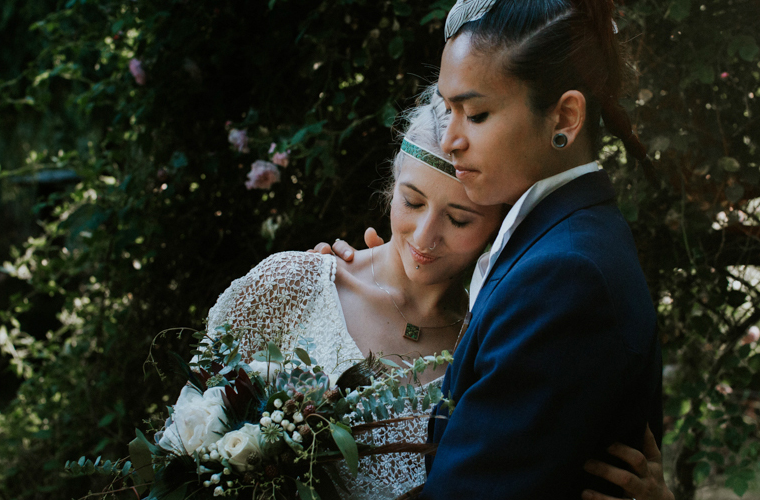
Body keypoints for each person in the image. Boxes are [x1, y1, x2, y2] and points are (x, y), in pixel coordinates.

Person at [210, 90, 671, 500]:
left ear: (500, 226)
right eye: (411, 202)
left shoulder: (498, 340)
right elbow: (185, 438)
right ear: (391, 185)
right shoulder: (296, 285)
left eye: (460, 219)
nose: (425, 238)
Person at [430, 0, 664, 497]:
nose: (449, 139)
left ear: (565, 115)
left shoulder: (565, 276)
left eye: (475, 113)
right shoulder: (543, 239)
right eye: (445, 110)